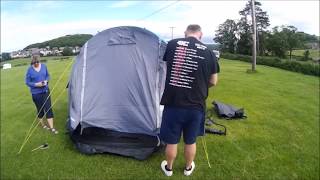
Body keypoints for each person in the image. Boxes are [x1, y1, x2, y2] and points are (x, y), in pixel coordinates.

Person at [159, 24, 219, 176]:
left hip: (173, 102)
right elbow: (213, 81)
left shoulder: (173, 44)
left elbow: (166, 67)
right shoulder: (210, 52)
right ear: (201, 34)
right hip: (196, 105)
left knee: (172, 140)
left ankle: (169, 168)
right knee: (190, 140)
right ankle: (187, 168)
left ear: (185, 33)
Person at [25, 54, 58, 134]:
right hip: (36, 93)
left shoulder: (43, 66)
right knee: (40, 110)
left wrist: (46, 81)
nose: (36, 64)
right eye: (34, 63)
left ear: (39, 60)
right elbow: (27, 82)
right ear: (32, 62)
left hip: (45, 91)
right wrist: (36, 84)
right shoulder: (29, 70)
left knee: (48, 108)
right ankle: (43, 125)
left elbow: (48, 76)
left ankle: (52, 128)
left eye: (37, 62)